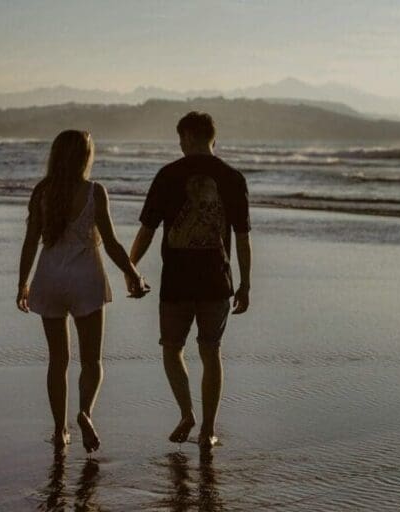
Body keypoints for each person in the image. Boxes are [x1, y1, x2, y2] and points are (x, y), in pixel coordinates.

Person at [16, 130, 149, 453]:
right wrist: (134, 274)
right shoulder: (94, 192)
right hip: (86, 278)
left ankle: (60, 430)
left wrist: (22, 283)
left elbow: (31, 241)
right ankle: (85, 413)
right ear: (85, 157)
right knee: (92, 361)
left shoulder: (42, 192)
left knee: (57, 361)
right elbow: (113, 244)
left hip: (49, 279)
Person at [129, 112, 252, 450]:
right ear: (213, 137)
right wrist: (246, 283)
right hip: (217, 280)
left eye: (180, 138)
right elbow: (242, 236)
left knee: (172, 349)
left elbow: (147, 230)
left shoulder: (168, 174)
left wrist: (129, 268)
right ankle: (208, 430)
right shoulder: (232, 177)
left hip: (177, 282)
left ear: (188, 136)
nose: (179, 145)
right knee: (211, 352)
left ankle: (187, 413)